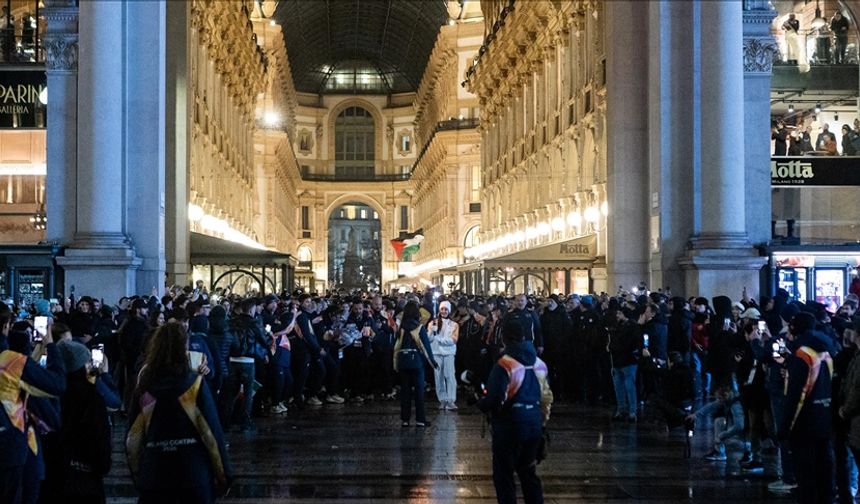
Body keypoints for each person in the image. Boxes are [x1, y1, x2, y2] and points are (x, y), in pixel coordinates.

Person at [126, 322, 231, 503]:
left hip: (156, 472)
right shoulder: (194, 384)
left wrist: (139, 475)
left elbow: (133, 439)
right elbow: (211, 432)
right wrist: (224, 475)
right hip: (192, 471)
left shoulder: (144, 388)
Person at [479, 319, 553, 504]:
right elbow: (546, 397)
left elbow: (495, 398)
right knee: (528, 472)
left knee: (504, 474)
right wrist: (542, 422)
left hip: (509, 424)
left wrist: (483, 404)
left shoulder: (505, 364)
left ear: (504, 338)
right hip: (533, 423)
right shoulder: (539, 363)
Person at [0, 312, 67, 504]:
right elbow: (56, 385)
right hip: (9, 447)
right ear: (5, 326)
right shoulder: (10, 361)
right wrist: (51, 346)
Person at [780, 312, 835, 504]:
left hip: (803, 422)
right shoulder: (826, 351)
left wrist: (785, 426)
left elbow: (796, 395)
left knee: (806, 474)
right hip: (825, 418)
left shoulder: (803, 355)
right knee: (824, 470)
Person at [394, 300, 437, 427]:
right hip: (416, 362)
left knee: (405, 392)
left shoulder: (401, 328)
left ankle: (405, 419)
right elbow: (425, 347)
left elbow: (396, 346)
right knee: (419, 392)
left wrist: (395, 363)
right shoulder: (418, 328)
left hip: (403, 362)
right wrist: (432, 362)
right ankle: (420, 419)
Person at [427, 300, 459, 410]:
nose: (443, 311)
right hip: (436, 353)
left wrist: (440, 339)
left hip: (449, 353)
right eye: (442, 309)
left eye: (446, 309)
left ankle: (451, 400)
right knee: (438, 378)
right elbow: (429, 339)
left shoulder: (454, 325)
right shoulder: (432, 323)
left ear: (449, 311)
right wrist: (432, 331)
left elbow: (454, 340)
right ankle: (442, 400)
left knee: (450, 376)